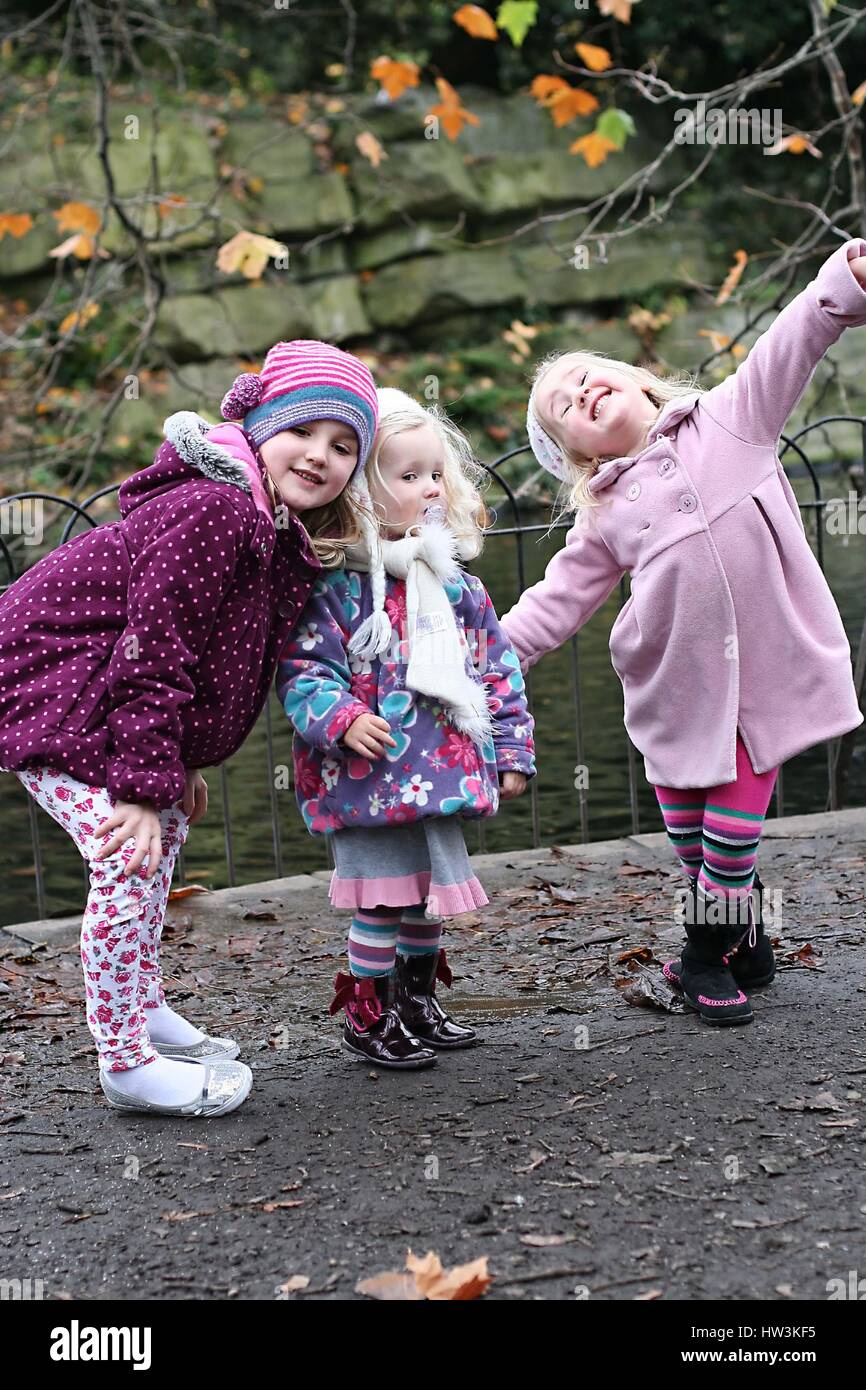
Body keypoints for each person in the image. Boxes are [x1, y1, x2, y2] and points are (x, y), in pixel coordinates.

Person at [0, 338, 378, 1112]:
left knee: (161, 839)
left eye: (344, 447)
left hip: (99, 702)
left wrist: (186, 763)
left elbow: (216, 655)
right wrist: (140, 785)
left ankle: (143, 1007)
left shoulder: (264, 524)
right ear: (261, 423)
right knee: (125, 858)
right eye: (302, 431)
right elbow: (154, 645)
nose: (319, 455)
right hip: (46, 691)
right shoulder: (214, 508)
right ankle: (126, 1060)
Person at [501, 240, 866, 1026]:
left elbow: (790, 340)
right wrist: (480, 656)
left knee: (732, 838)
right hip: (674, 692)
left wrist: (843, 282)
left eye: (585, 376)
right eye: (563, 407)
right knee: (697, 844)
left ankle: (699, 958)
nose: (579, 391)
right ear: (574, 455)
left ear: (639, 380)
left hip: (759, 684)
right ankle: (747, 938)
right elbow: (554, 603)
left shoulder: (732, 422)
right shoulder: (602, 515)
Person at [277, 387, 536, 1066]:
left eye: (435, 473)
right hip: (368, 779)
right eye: (407, 474)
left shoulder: (454, 586)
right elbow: (305, 671)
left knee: (427, 903)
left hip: (441, 773)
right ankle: (369, 1013)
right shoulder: (337, 588)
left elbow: (497, 670)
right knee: (384, 903)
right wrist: (343, 718)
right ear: (363, 491)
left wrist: (509, 747)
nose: (427, 488)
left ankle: (415, 1002)